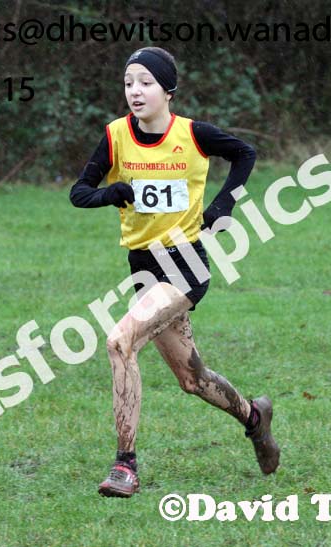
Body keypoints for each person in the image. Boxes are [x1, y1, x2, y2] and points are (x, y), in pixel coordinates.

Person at [69, 46, 280, 498]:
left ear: (168, 89)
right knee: (192, 379)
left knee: (118, 341)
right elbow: (79, 192)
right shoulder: (114, 137)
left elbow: (245, 153)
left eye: (145, 82)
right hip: (144, 270)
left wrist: (224, 204)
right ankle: (254, 417)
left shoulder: (193, 134)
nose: (135, 91)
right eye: (128, 83)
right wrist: (114, 192)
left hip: (184, 265)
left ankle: (125, 465)